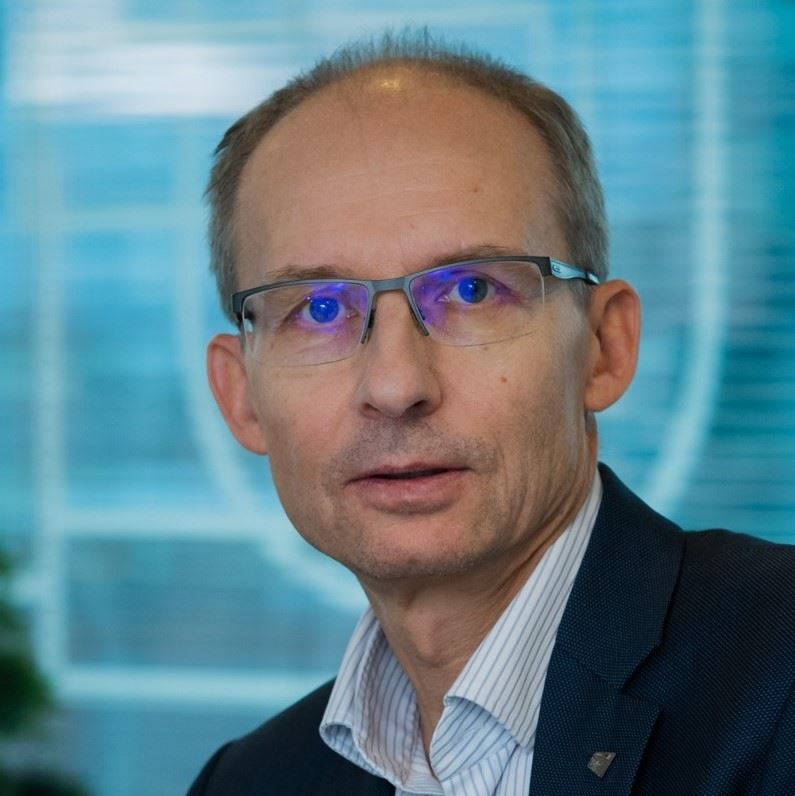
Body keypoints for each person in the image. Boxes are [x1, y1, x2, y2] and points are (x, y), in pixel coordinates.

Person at [188, 32, 795, 795]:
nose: (395, 384)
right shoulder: (251, 781)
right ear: (240, 396)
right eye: (317, 309)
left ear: (603, 348)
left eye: (471, 291)